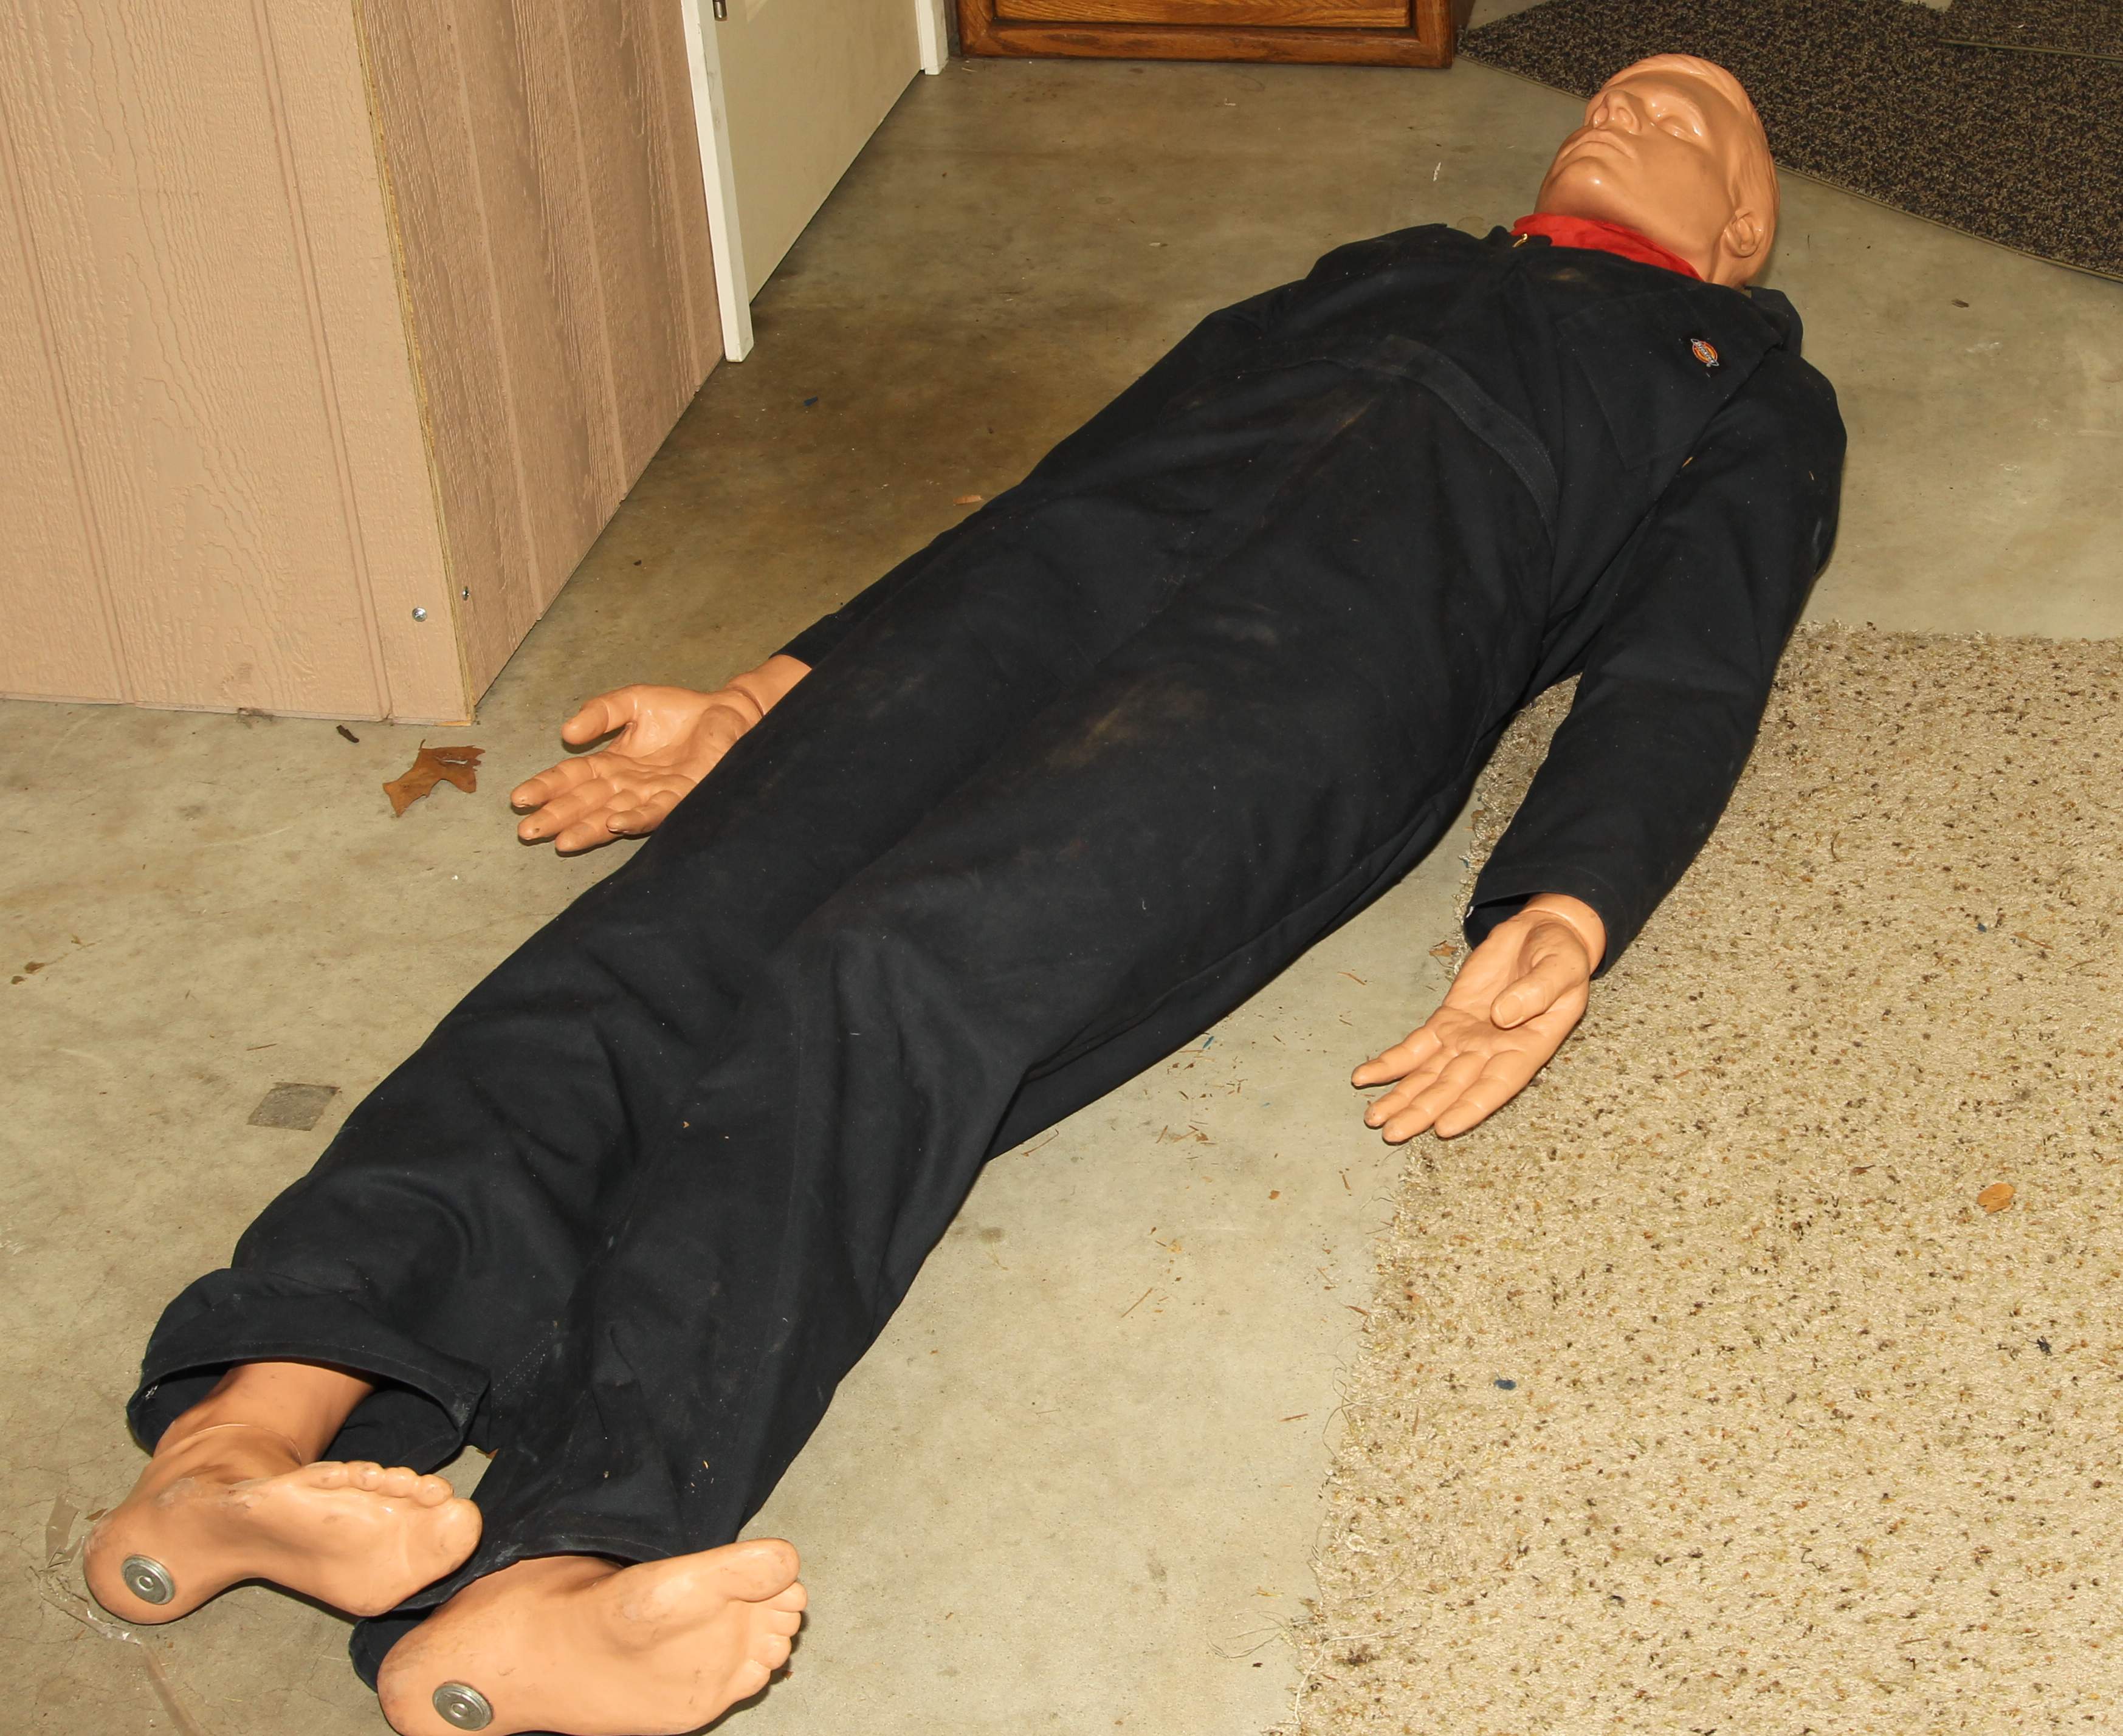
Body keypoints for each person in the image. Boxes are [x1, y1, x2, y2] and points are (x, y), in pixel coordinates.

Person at [85, 54, 1842, 1736]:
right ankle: (247, 1435)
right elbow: (1083, 464)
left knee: (900, 976)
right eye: (1612, 92)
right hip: (1049, 578)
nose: (1619, 110)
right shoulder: (1387, 263)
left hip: (1323, 669)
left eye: (1679, 116)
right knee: (658, 941)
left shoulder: (1745, 388)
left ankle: (559, 1566)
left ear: (1743, 226)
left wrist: (1570, 896)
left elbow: (1690, 668)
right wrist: (769, 691)